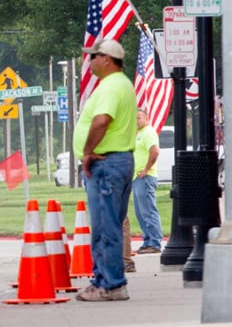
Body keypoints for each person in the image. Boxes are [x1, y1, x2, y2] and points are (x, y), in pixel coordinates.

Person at [72, 38, 136, 302]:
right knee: (110, 224)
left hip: (107, 163)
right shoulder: (121, 84)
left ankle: (111, 285)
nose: (90, 60)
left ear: (107, 59)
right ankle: (103, 280)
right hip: (118, 161)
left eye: (94, 56)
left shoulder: (111, 87)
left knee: (105, 227)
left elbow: (101, 121)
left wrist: (87, 152)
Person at [133, 109, 163, 254]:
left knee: (148, 211)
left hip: (145, 177)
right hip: (136, 178)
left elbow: (155, 151)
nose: (136, 121)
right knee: (140, 212)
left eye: (139, 118)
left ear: (146, 118)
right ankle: (147, 241)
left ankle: (155, 242)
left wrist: (146, 169)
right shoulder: (138, 134)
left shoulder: (148, 132)